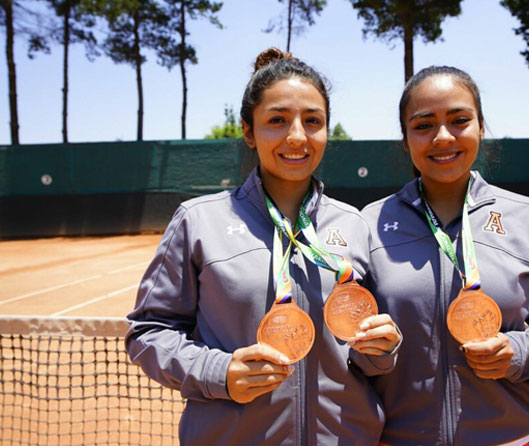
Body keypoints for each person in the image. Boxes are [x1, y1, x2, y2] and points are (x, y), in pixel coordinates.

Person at [125, 47, 401, 446]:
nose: (296, 136)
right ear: (248, 132)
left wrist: (382, 349)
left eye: (313, 121)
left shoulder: (355, 225)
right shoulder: (198, 220)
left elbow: (364, 355)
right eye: (277, 121)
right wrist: (217, 372)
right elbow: (148, 333)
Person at [362, 66, 529, 446]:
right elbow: (348, 342)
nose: (443, 137)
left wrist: (518, 351)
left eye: (459, 120)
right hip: (399, 438)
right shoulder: (368, 224)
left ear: (481, 126)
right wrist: (376, 353)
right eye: (423, 125)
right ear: (405, 139)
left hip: (511, 438)